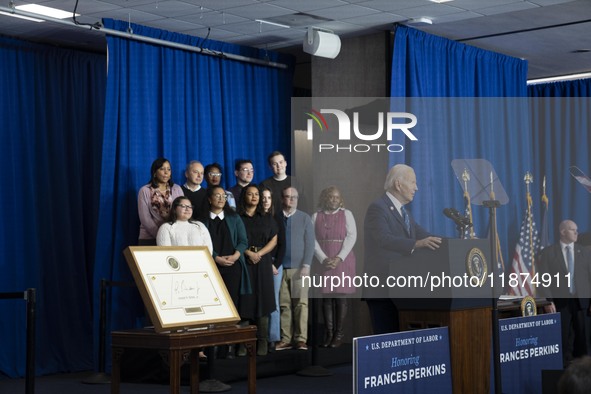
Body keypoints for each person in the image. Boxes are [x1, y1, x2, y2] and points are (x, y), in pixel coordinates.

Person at [363, 164, 442, 335]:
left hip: (400, 288)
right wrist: (416, 244)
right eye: (413, 182)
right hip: (382, 288)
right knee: (387, 339)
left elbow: (426, 236)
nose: (416, 188)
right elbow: (383, 239)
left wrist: (458, 243)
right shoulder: (377, 208)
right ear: (398, 184)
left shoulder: (403, 213)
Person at [156, 195, 213, 362]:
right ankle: (180, 349)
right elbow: (165, 254)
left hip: (198, 276)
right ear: (175, 208)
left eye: (190, 207)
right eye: (183, 206)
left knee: (198, 314)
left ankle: (198, 349)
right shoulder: (167, 227)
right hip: (176, 278)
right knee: (179, 315)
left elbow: (208, 250)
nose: (188, 209)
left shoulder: (199, 226)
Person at [538, 220, 591, 365]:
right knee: (562, 339)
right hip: (560, 303)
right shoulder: (549, 252)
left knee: (583, 338)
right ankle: (564, 372)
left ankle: (585, 371)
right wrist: (548, 301)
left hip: (583, 302)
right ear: (562, 232)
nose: (576, 232)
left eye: (577, 229)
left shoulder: (584, 252)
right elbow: (544, 280)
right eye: (573, 229)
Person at [311, 186, 357, 348]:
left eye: (337, 197)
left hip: (343, 259)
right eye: (331, 197)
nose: (334, 200)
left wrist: (339, 257)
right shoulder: (316, 216)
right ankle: (329, 333)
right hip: (323, 260)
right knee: (326, 298)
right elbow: (312, 240)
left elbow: (352, 237)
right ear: (325, 198)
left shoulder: (347, 214)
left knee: (340, 297)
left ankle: (339, 334)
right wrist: (324, 259)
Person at [237, 184, 278, 355]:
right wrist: (248, 253)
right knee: (245, 300)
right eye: (250, 194)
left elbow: (274, 240)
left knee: (264, 300)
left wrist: (258, 254)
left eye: (256, 194)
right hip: (244, 262)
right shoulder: (237, 217)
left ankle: (262, 341)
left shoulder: (267, 217)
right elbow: (235, 239)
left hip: (262, 262)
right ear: (244, 196)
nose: (254, 197)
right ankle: (243, 344)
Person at [275, 187, 315, 351]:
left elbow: (310, 243)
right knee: (284, 305)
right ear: (282, 199)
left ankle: (300, 339)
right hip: (280, 269)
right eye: (287, 197)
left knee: (301, 305)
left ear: (297, 199)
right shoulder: (275, 217)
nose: (290, 200)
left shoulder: (305, 218)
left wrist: (306, 265)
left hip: (300, 269)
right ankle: (286, 339)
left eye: (294, 197)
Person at [261, 185, 286, 352]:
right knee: (260, 301)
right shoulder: (254, 217)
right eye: (263, 197)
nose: (265, 201)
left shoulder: (277, 218)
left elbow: (283, 245)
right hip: (259, 264)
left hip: (275, 265)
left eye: (268, 198)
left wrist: (275, 265)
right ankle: (260, 338)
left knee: (274, 302)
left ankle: (273, 338)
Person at [137, 158, 183, 245]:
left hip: (173, 237)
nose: (166, 172)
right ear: (154, 173)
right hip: (150, 238)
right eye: (162, 169)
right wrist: (161, 235)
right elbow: (145, 219)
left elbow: (181, 212)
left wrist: (172, 234)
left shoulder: (177, 189)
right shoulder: (144, 190)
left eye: (168, 169)